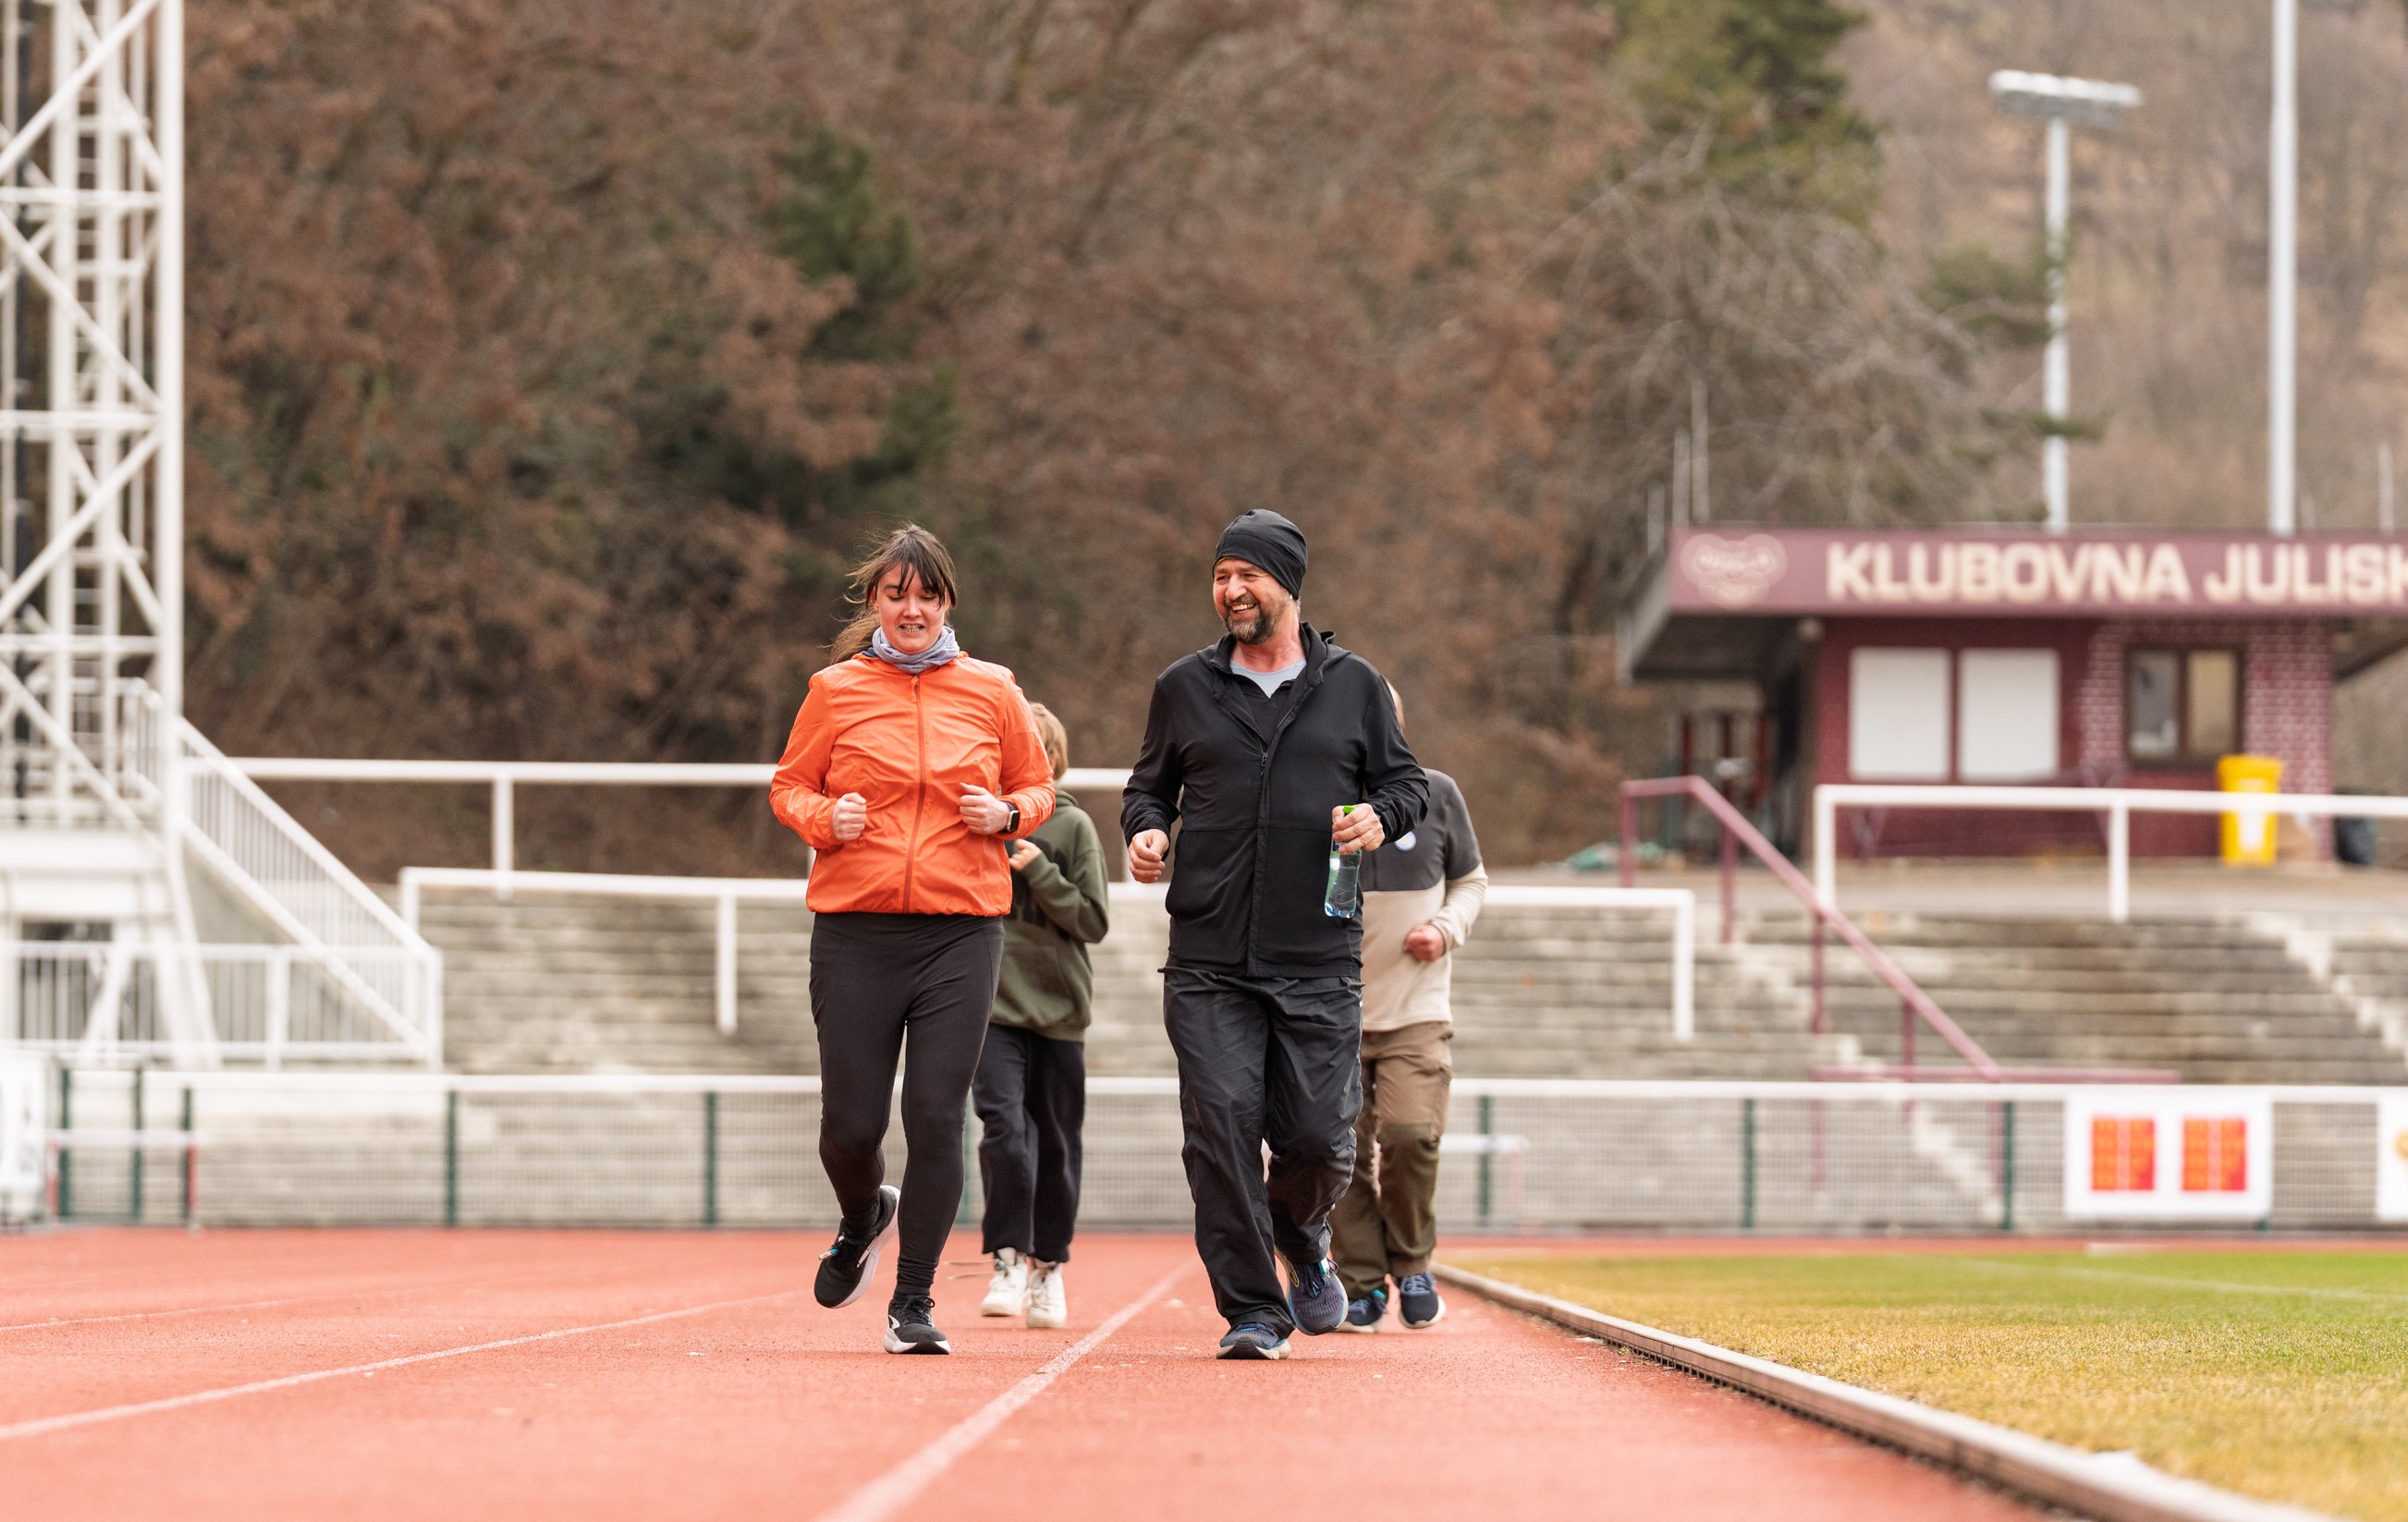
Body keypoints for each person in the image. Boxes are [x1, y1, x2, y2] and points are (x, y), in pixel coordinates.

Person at [1123, 508, 1428, 1360]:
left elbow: (1407, 784)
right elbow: (1148, 790)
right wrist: (1147, 832)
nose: (1230, 590)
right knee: (1218, 1128)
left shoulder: (1355, 686)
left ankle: (1303, 1234)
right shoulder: (1183, 685)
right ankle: (1253, 1309)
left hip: (1317, 958)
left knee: (1319, 1144)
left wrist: (1377, 813)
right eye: (1220, 575)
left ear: (1287, 583)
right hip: (1209, 959)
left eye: (1246, 575)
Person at [770, 524, 1056, 1356]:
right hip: (855, 931)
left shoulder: (993, 689)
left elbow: (1036, 785)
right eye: (896, 594)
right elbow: (789, 785)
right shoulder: (834, 691)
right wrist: (828, 817)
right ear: (875, 604)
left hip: (960, 931)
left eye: (926, 595)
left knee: (935, 1114)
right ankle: (864, 1213)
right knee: (849, 1128)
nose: (912, 609)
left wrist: (1005, 815)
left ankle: (914, 1300)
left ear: (947, 603)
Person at [1329, 685, 1487, 1333]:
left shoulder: (1437, 793)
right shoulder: (1315, 798)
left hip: (1414, 1011)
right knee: (1330, 1152)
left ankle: (1414, 1262)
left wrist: (1444, 928)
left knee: (1408, 1135)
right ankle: (1360, 1281)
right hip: (1329, 1012)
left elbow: (1471, 881)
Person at [975, 702, 1109, 1330]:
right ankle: (1005, 1258)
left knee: (1054, 1147)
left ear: (1048, 757)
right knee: (1004, 1131)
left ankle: (1047, 1268)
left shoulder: (1072, 825)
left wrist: (1037, 868)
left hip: (1057, 1012)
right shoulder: (974, 818)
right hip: (991, 1009)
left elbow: (1092, 920)